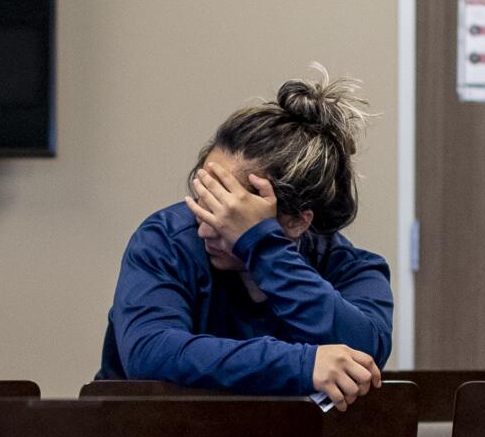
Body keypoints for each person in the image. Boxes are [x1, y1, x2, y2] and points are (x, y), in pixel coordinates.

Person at [96, 69, 392, 410]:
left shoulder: (352, 268)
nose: (205, 228)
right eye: (204, 201)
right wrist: (302, 365)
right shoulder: (165, 241)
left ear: (297, 221)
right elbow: (151, 352)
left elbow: (363, 353)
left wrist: (261, 246)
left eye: (230, 215)